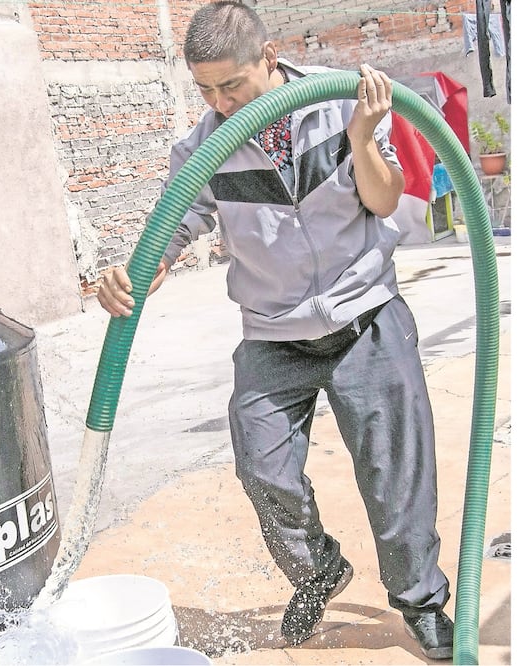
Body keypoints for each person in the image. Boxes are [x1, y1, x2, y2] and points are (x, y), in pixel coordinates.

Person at [96, 1, 453, 659]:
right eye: (204, 89)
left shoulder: (339, 102)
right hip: (274, 333)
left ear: (268, 58)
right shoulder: (203, 147)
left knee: (396, 475)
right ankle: (318, 569)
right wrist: (130, 273)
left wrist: (363, 133)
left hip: (365, 317)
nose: (220, 102)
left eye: (231, 84)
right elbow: (171, 232)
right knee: (263, 468)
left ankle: (420, 601)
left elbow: (382, 199)